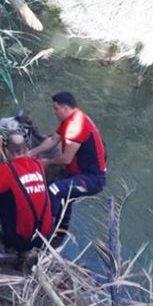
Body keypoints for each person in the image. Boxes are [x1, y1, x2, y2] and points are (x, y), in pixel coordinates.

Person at [29, 91, 107, 231]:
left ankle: (44, 231)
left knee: (54, 190)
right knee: (65, 198)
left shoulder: (75, 126)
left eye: (56, 108)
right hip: (78, 173)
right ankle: (60, 231)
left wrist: (47, 162)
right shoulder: (71, 119)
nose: (54, 112)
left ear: (65, 109)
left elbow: (66, 158)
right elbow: (53, 140)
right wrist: (31, 153)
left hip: (91, 179)